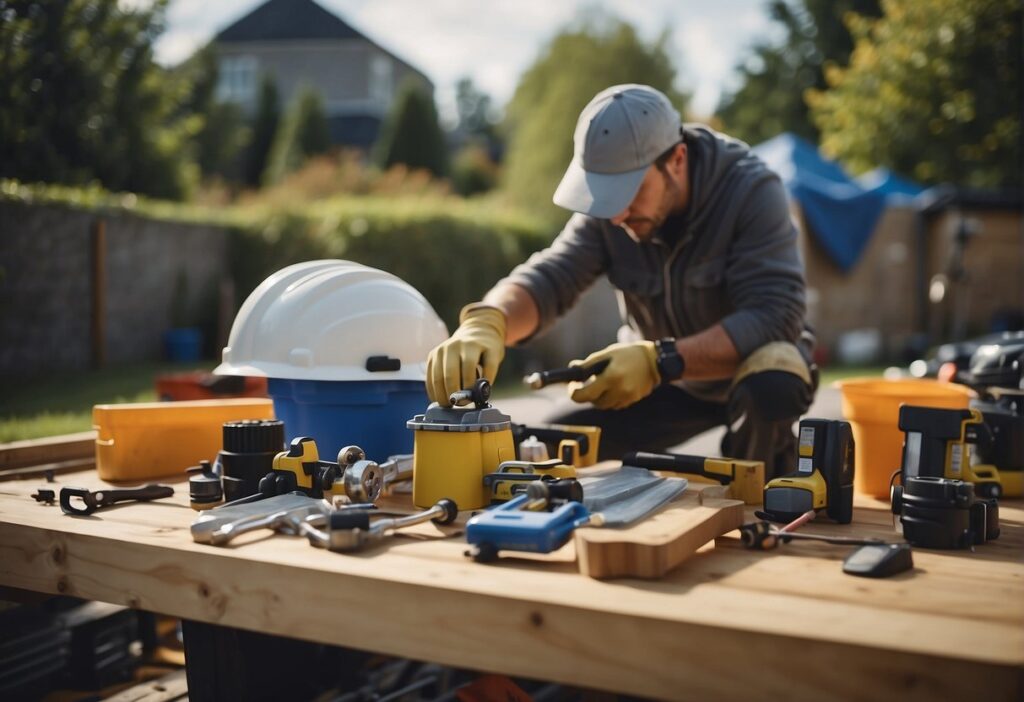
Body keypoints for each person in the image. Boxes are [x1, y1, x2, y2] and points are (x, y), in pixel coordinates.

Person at [425, 84, 816, 479]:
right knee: (547, 445)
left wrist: (660, 361)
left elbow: (776, 316)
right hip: (658, 384)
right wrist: (489, 322)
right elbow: (551, 276)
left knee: (771, 387)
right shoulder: (610, 212)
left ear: (677, 160)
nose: (615, 215)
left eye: (630, 192)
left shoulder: (751, 189)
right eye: (606, 195)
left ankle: (766, 485)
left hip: (743, 378)